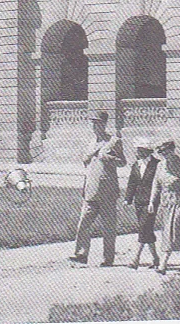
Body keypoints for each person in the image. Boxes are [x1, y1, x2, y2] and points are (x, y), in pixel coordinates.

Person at [70, 110, 126, 267]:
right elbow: (88, 165)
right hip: (91, 189)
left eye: (98, 123)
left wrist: (109, 158)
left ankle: (108, 258)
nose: (95, 126)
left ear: (104, 124)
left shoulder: (114, 141)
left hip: (107, 191)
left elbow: (123, 162)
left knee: (108, 226)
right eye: (93, 123)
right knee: (83, 223)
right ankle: (81, 254)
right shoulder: (91, 142)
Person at [148, 139, 180, 274]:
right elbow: (156, 184)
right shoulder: (160, 165)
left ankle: (163, 264)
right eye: (161, 153)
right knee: (168, 232)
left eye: (166, 152)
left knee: (174, 231)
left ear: (172, 150)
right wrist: (152, 201)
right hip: (166, 203)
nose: (164, 155)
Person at [124, 140, 160, 268]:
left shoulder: (157, 164)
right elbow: (132, 182)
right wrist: (128, 198)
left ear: (147, 151)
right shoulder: (136, 164)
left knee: (143, 227)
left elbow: (158, 184)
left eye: (140, 150)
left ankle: (136, 259)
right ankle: (156, 258)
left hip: (151, 202)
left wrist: (154, 200)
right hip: (138, 201)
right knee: (147, 228)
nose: (137, 152)